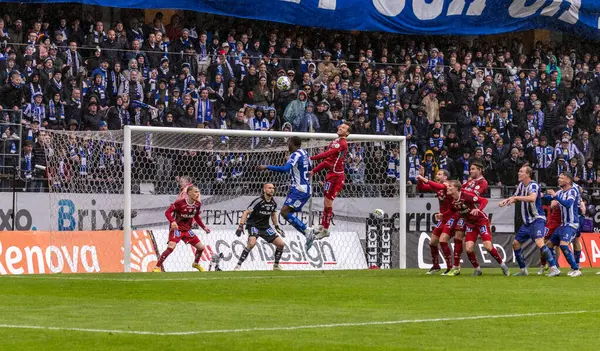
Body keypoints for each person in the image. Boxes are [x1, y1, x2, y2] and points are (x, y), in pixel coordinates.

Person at [258, 136, 315, 249]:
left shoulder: (295, 155)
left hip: (299, 189)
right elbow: (310, 169)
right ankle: (307, 233)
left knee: (284, 212)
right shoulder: (305, 153)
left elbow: (284, 169)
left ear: (293, 144)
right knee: (287, 212)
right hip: (305, 188)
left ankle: (308, 231)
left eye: (289, 143)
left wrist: (266, 166)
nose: (287, 145)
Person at [499, 166, 556, 276]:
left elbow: (532, 198)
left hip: (537, 219)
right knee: (515, 244)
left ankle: (554, 268)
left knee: (540, 242)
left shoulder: (533, 185)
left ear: (528, 174)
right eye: (519, 171)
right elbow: (515, 196)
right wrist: (506, 201)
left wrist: (516, 198)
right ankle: (523, 270)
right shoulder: (521, 185)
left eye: (521, 172)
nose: (518, 173)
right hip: (527, 223)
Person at [446, 180, 510, 276]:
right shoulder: (453, 200)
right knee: (468, 249)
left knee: (488, 246)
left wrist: (478, 209)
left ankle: (503, 266)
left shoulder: (466, 195)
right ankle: (477, 269)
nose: (448, 187)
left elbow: (484, 200)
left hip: (481, 221)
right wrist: (442, 215)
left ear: (456, 188)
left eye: (450, 186)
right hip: (470, 224)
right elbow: (451, 210)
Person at [153, 186, 211, 272]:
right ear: (189, 193)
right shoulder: (179, 203)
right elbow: (167, 212)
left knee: (201, 247)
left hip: (187, 230)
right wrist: (172, 221)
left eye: (198, 192)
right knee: (171, 247)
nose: (198, 194)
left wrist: (204, 227)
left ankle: (196, 263)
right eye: (195, 192)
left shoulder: (197, 204)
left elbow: (196, 217)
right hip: (177, 229)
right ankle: (157, 267)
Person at [309, 123, 351, 240]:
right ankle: (323, 225)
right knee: (326, 202)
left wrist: (311, 158)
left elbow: (327, 154)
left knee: (328, 202)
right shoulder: (334, 142)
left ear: (347, 133)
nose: (340, 127)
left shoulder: (343, 143)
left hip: (337, 177)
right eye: (340, 126)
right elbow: (327, 161)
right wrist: (314, 171)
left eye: (343, 128)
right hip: (330, 175)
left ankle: (326, 229)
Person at [447, 161, 487, 276]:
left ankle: (478, 267)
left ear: (479, 170)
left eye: (473, 169)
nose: (470, 171)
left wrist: (459, 190)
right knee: (457, 236)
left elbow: (472, 196)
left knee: (483, 245)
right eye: (470, 169)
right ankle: (456, 267)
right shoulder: (470, 181)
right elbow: (461, 189)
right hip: (463, 213)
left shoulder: (483, 182)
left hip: (472, 214)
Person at [234, 183, 286, 271]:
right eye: (269, 188)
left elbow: (273, 214)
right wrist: (240, 226)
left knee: (281, 244)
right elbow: (246, 212)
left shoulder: (273, 203)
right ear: (264, 190)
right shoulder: (258, 201)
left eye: (273, 188)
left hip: (265, 227)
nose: (272, 190)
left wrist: (277, 226)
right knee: (251, 244)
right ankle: (238, 266)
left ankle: (276, 266)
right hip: (254, 225)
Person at [542, 172, 581, 277]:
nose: (559, 179)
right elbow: (548, 199)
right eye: (559, 177)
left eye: (562, 178)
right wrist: (541, 195)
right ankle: (555, 268)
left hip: (572, 224)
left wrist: (555, 196)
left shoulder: (572, 191)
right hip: (563, 225)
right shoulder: (560, 192)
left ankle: (576, 269)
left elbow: (568, 205)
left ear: (568, 180)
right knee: (548, 245)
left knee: (564, 244)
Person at [416, 168, 454, 275]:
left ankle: (450, 267)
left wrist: (424, 179)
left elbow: (439, 186)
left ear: (445, 177)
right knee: (432, 242)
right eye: (437, 174)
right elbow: (421, 188)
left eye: (439, 174)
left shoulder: (448, 185)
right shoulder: (438, 188)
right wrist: (421, 178)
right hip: (442, 219)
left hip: (452, 218)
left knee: (443, 241)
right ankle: (436, 266)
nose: (437, 176)